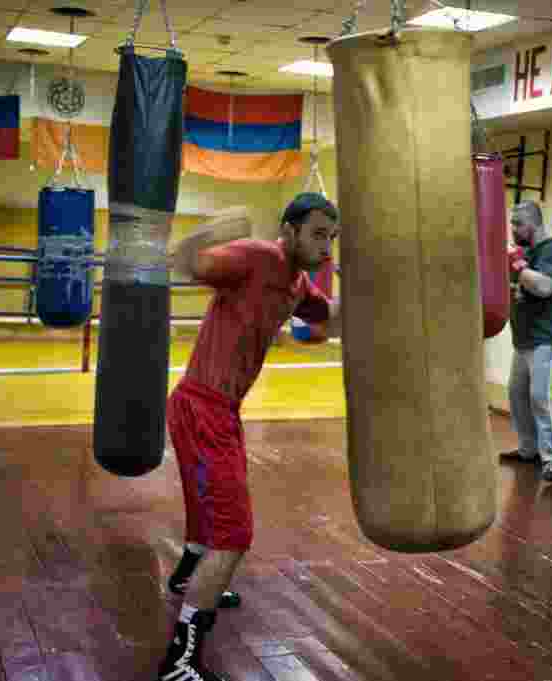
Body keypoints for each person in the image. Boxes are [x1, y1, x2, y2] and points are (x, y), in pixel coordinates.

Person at [156, 192, 340, 681]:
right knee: (233, 535)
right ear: (289, 230)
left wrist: (374, 303)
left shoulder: (299, 284)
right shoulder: (258, 256)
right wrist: (214, 228)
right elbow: (185, 262)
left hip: (223, 412)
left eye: (332, 238)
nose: (326, 247)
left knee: (209, 511)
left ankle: (184, 576)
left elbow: (325, 319)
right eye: (318, 234)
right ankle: (179, 663)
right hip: (201, 408)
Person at [501, 199, 552, 484]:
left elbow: (544, 287)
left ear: (533, 224)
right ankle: (529, 450)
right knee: (517, 394)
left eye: (517, 224)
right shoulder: (527, 253)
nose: (513, 229)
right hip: (526, 340)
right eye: (511, 223)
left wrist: (516, 266)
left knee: (544, 396)